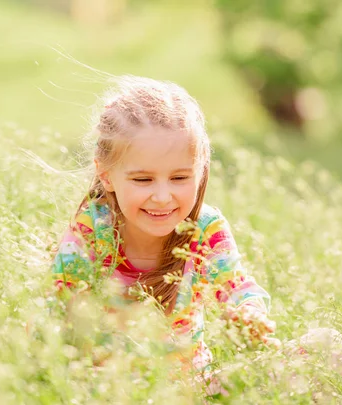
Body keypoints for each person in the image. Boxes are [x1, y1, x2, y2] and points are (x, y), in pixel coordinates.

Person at [50, 76, 276, 378]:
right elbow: (58, 302)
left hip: (189, 390)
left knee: (325, 347)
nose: (162, 197)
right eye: (143, 179)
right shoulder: (94, 227)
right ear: (106, 176)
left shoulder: (204, 228)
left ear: (199, 172)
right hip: (107, 389)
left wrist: (250, 314)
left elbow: (235, 286)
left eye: (180, 178)